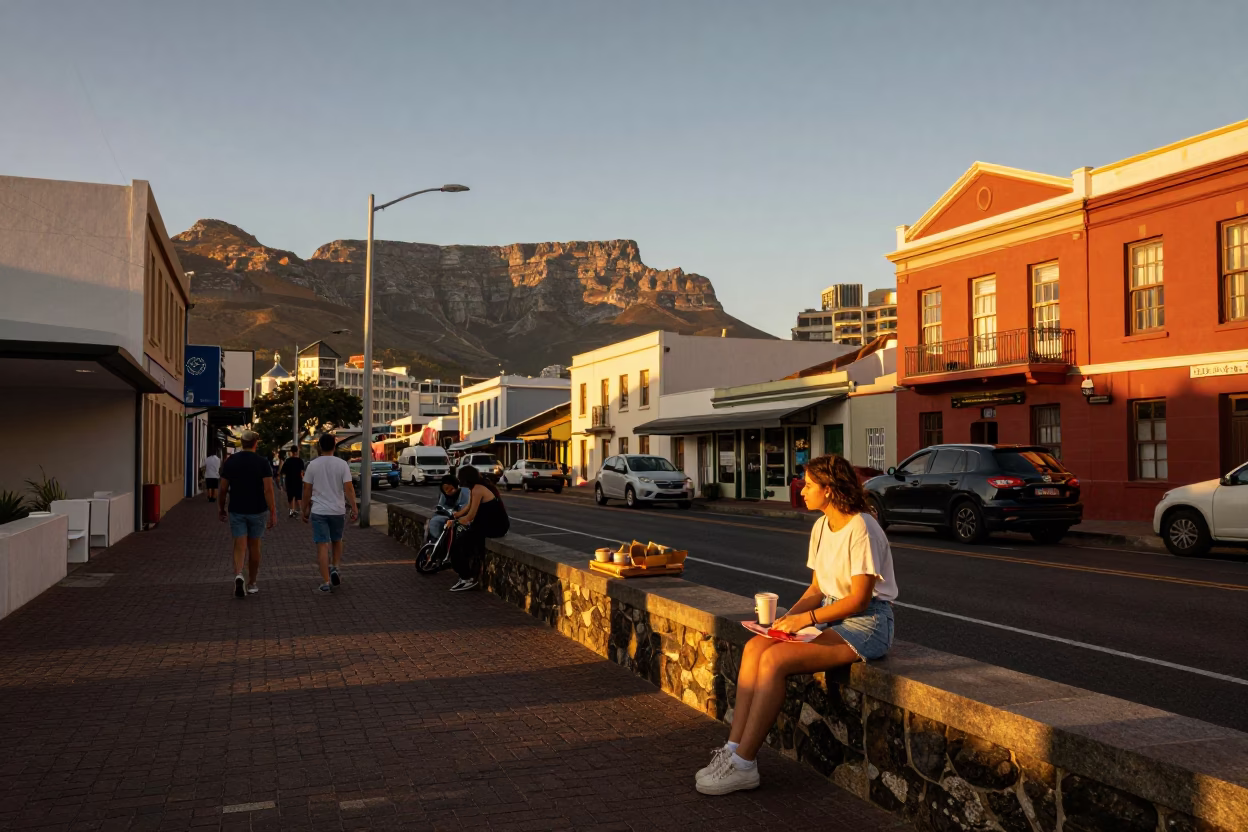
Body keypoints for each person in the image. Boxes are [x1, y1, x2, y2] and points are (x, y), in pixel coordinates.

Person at [694, 454, 897, 796]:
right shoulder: (821, 527)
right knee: (758, 645)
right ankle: (731, 750)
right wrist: (785, 621)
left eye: (809, 485)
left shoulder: (862, 527)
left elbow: (860, 599)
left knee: (775, 660)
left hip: (867, 623)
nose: (801, 490)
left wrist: (807, 619)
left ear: (829, 490)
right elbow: (818, 589)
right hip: (832, 614)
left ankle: (745, 764)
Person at [218, 431, 277, 598]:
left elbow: (223, 489)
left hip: (237, 508)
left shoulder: (231, 462)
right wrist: (273, 511)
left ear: (241, 443)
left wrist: (221, 508)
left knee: (239, 544)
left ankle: (238, 574)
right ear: (255, 443)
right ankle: (252, 583)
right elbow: (268, 489)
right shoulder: (262, 463)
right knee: (255, 545)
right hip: (258, 509)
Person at [302, 434, 358, 594]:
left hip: (319, 510)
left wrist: (304, 509)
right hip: (338, 510)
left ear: (319, 447)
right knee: (337, 539)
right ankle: (335, 566)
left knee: (322, 545)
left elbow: (306, 490)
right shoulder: (342, 465)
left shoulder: (312, 465)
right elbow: (348, 487)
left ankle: (326, 582)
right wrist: (354, 507)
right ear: (334, 446)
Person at [449, 465, 509, 592]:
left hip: (495, 527)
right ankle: (467, 574)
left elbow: (470, 516)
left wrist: (454, 522)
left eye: (461, 478)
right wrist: (456, 515)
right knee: (463, 542)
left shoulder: (478, 489)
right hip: (488, 524)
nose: (459, 481)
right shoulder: (475, 488)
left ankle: (467, 578)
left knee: (458, 546)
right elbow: (468, 507)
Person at [428, 473, 470, 543]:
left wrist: (455, 515)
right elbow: (441, 507)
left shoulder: (465, 493)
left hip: (460, 518)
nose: (449, 491)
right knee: (435, 522)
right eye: (446, 489)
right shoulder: (444, 495)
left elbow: (466, 509)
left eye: (451, 489)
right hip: (448, 516)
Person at [280, 450, 305, 518]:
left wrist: (282, 482)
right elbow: (302, 472)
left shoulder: (288, 461)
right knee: (298, 497)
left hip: (289, 481)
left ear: (291, 452)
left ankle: (291, 512)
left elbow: (283, 472)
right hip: (298, 481)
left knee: (290, 497)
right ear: (297, 452)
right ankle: (299, 511)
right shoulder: (300, 461)